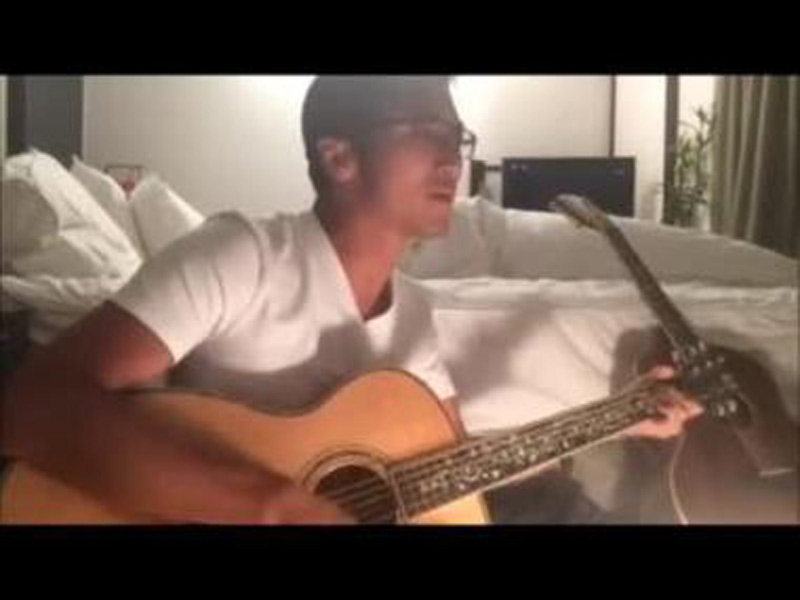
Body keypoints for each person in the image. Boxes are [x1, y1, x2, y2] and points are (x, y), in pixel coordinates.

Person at [1, 76, 701, 524]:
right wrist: (272, 504)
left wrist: (619, 418)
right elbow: (31, 404)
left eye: (456, 136)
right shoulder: (241, 255)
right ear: (339, 157)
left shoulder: (415, 315)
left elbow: (453, 469)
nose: (453, 157)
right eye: (425, 130)